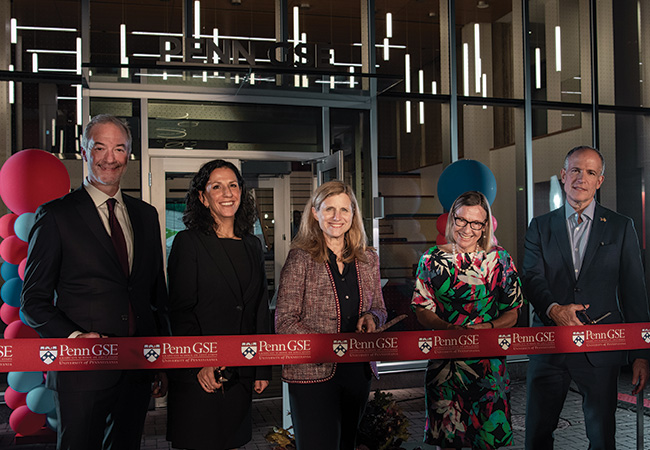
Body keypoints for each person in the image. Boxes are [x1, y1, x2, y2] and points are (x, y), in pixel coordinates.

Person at [20, 114, 169, 450]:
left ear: (128, 156)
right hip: (81, 371)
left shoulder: (146, 216)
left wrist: (159, 361)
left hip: (135, 368)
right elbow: (33, 301)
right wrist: (75, 338)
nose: (109, 157)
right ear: (85, 152)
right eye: (100, 147)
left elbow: (155, 296)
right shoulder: (56, 215)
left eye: (119, 149)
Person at [523, 146, 650, 450]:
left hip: (601, 348)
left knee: (602, 437)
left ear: (600, 181)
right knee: (537, 435)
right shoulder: (539, 227)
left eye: (590, 172)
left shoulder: (621, 227)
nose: (582, 178)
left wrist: (640, 354)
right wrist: (554, 310)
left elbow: (634, 290)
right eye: (576, 170)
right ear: (563, 175)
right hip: (549, 345)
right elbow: (531, 278)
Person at [165, 159, 271, 450]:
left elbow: (260, 305)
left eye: (233, 185)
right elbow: (179, 310)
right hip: (201, 373)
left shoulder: (252, 244)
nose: (227, 193)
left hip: (241, 370)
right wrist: (200, 361)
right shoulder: (188, 243)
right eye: (217, 186)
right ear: (202, 196)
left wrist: (261, 367)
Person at [275, 180, 387, 450]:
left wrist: (372, 317)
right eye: (329, 210)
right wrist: (329, 347)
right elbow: (285, 321)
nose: (337, 217)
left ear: (353, 215)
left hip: (356, 373)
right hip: (312, 374)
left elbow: (381, 309)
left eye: (345, 210)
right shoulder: (300, 258)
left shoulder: (368, 258)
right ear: (315, 213)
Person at [411, 190, 524, 450]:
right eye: (461, 220)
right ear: (452, 219)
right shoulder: (431, 258)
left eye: (476, 223)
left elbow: (513, 312)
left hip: (488, 368)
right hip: (445, 367)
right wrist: (448, 328)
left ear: (485, 226)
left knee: (487, 443)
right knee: (448, 444)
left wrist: (489, 327)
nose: (467, 229)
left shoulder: (500, 260)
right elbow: (421, 308)